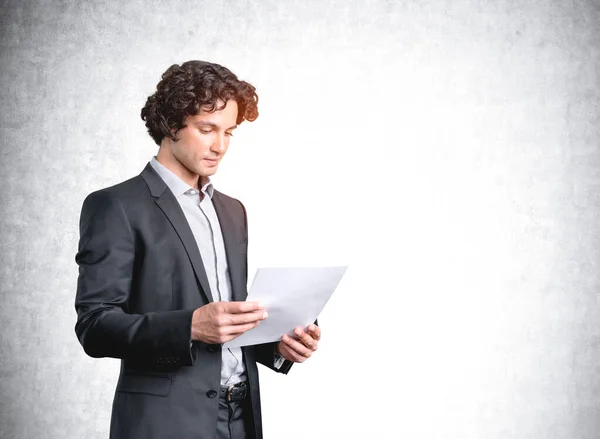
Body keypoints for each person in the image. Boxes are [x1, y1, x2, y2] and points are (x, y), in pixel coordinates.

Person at [74, 60, 321, 439]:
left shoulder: (232, 210)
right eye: (207, 129)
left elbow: (228, 322)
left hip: (242, 416)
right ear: (172, 125)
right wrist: (189, 326)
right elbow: (95, 327)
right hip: (164, 421)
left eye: (229, 133)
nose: (219, 146)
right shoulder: (116, 206)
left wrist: (281, 343)